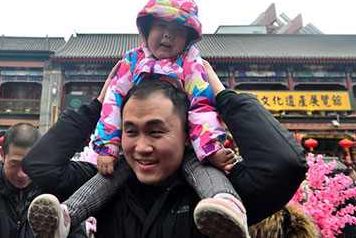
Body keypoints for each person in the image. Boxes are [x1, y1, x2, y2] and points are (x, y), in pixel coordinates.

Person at [29, 0, 247, 237]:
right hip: (131, 154)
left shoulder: (192, 64)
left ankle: (227, 206)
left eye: (177, 30)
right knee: (107, 178)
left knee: (204, 170)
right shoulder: (131, 62)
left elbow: (201, 106)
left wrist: (210, 149)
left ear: (188, 38)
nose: (167, 34)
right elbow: (112, 105)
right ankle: (67, 215)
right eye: (161, 26)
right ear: (145, 30)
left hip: (187, 146)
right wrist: (108, 148)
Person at [23, 61, 308, 237]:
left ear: (187, 134)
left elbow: (285, 164)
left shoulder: (221, 197)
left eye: (156, 131)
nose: (141, 147)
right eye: (130, 131)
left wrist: (223, 96)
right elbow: (39, 164)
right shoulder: (105, 184)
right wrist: (99, 106)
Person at [0, 123, 88, 238]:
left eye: (29, 166)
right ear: (2, 154)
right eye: (14, 164)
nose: (22, 174)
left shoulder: (59, 192)